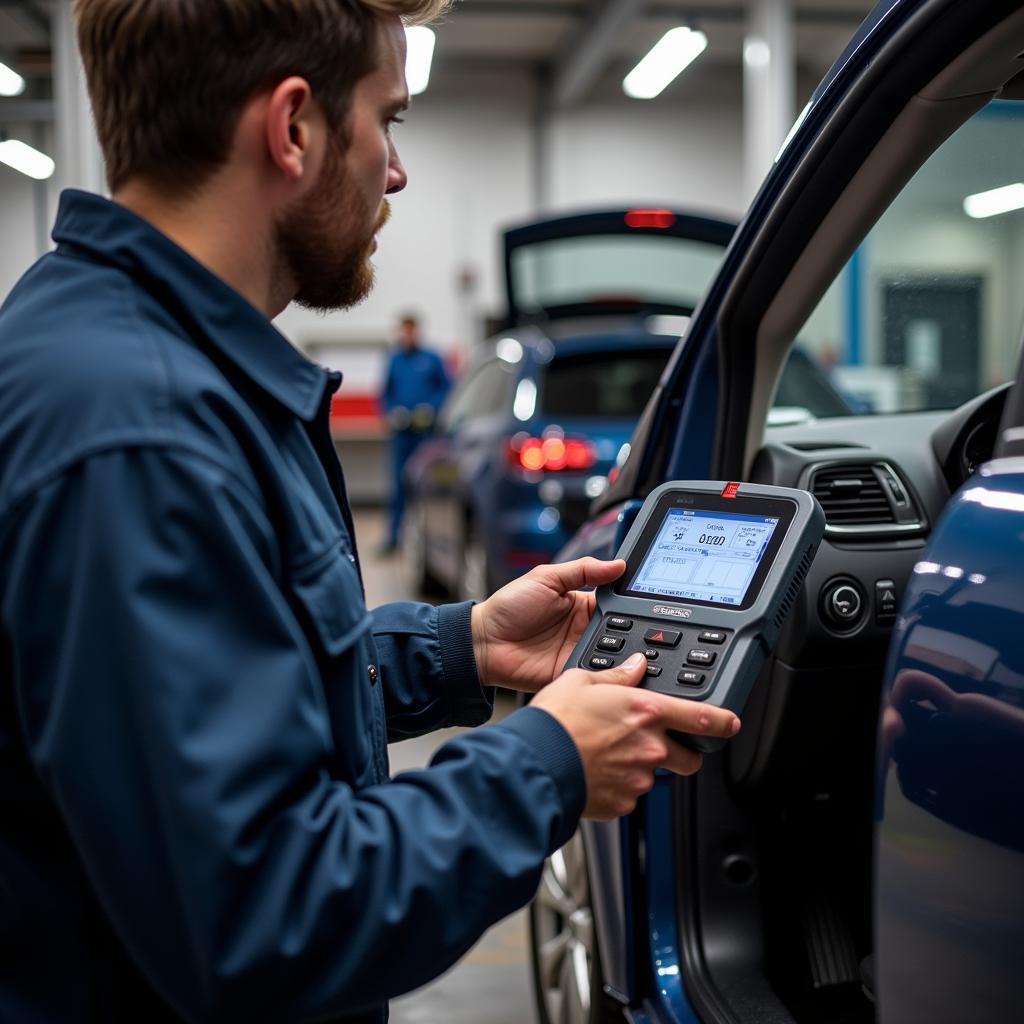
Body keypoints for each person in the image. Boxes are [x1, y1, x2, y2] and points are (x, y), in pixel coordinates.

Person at [0, 2, 741, 1021]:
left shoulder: (129, 358)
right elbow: (267, 915)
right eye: (387, 120)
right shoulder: (142, 432)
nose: (394, 172)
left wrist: (460, 646)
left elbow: (218, 690)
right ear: (293, 127)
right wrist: (550, 759)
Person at [380, 312, 449, 552]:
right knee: (398, 484)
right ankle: (394, 538)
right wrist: (391, 412)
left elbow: (447, 388)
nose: (406, 335)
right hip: (402, 434)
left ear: (417, 331)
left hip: (425, 433)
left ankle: (428, 540)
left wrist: (431, 408)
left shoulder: (432, 358)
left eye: (410, 330)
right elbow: (385, 393)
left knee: (425, 483)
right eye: (403, 331)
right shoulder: (395, 359)